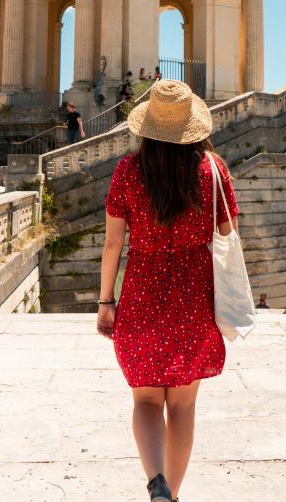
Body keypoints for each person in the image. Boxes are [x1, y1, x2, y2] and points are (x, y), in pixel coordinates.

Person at [97, 80, 239, 502]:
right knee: (182, 405)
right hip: (196, 299)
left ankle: (155, 482)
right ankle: (171, 494)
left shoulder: (128, 171)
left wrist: (107, 302)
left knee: (144, 401)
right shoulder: (213, 170)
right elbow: (230, 237)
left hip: (142, 294)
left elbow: (111, 244)